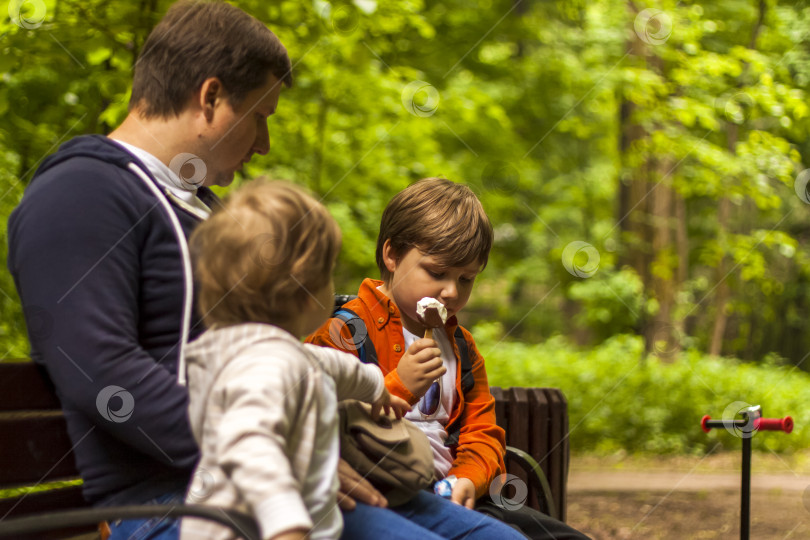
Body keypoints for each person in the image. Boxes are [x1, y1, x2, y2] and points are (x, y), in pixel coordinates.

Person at [7, 1, 291, 539]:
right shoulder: (81, 193)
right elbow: (106, 376)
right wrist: (275, 450)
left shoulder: (200, 206)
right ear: (210, 97)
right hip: (178, 502)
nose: (263, 144)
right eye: (260, 116)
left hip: (261, 481)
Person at [308, 177, 591, 539]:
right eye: (437, 273)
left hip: (453, 494)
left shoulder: (462, 346)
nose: (451, 292)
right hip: (380, 492)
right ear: (392, 255)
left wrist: (468, 479)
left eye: (467, 279)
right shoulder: (345, 332)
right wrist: (399, 386)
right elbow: (319, 423)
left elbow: (481, 432)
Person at [179, 181, 412, 540]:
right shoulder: (266, 367)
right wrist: (285, 524)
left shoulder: (271, 353)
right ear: (306, 295)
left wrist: (378, 389)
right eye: (328, 274)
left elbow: (333, 367)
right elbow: (250, 445)